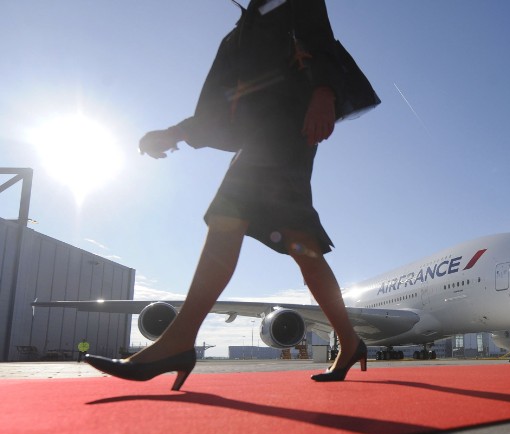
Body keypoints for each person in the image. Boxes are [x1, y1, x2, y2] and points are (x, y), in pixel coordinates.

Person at [85, 0, 367, 389]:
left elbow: (320, 40)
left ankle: (178, 342)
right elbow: (217, 108)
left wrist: (324, 91)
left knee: (226, 216)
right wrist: (175, 133)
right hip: (258, 137)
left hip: (288, 130)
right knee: (302, 243)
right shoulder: (236, 37)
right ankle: (350, 342)